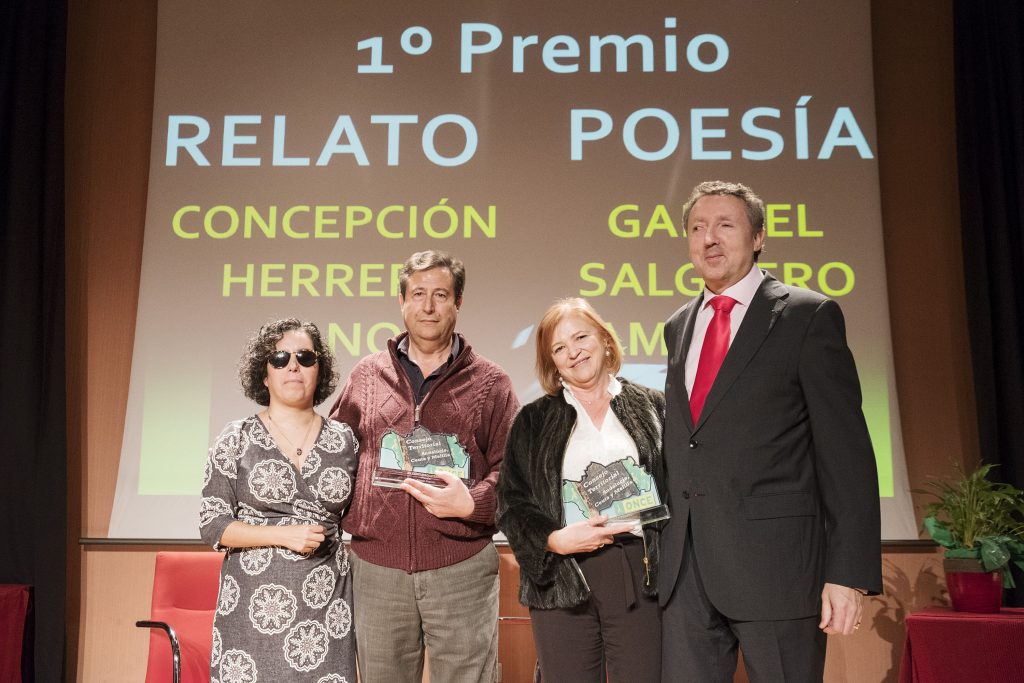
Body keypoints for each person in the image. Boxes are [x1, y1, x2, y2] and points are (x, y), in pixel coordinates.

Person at [659, 180, 883, 681]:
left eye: (725, 226)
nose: (709, 239)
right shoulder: (678, 325)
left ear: (758, 237)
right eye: (697, 228)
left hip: (779, 572)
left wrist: (848, 574)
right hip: (686, 574)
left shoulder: (808, 316)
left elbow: (846, 456)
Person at [329, 249, 518, 683]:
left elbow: (514, 472)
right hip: (377, 568)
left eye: (440, 295)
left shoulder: (491, 382)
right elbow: (334, 457)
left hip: (462, 566)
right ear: (401, 302)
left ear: (458, 303)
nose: (428, 306)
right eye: (418, 294)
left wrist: (472, 503)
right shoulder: (366, 376)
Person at [497, 298, 665, 682]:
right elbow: (511, 503)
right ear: (552, 362)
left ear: (605, 339)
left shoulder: (654, 407)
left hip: (640, 571)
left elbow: (676, 489)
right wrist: (553, 540)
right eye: (559, 348)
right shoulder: (534, 419)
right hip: (561, 575)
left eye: (580, 337)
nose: (573, 352)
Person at [198, 318, 358, 680]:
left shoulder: (345, 440)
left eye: (305, 357)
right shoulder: (236, 438)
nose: (293, 366)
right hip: (253, 607)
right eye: (280, 357)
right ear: (264, 374)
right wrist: (283, 535)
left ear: (320, 370)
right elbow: (212, 524)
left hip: (326, 605)